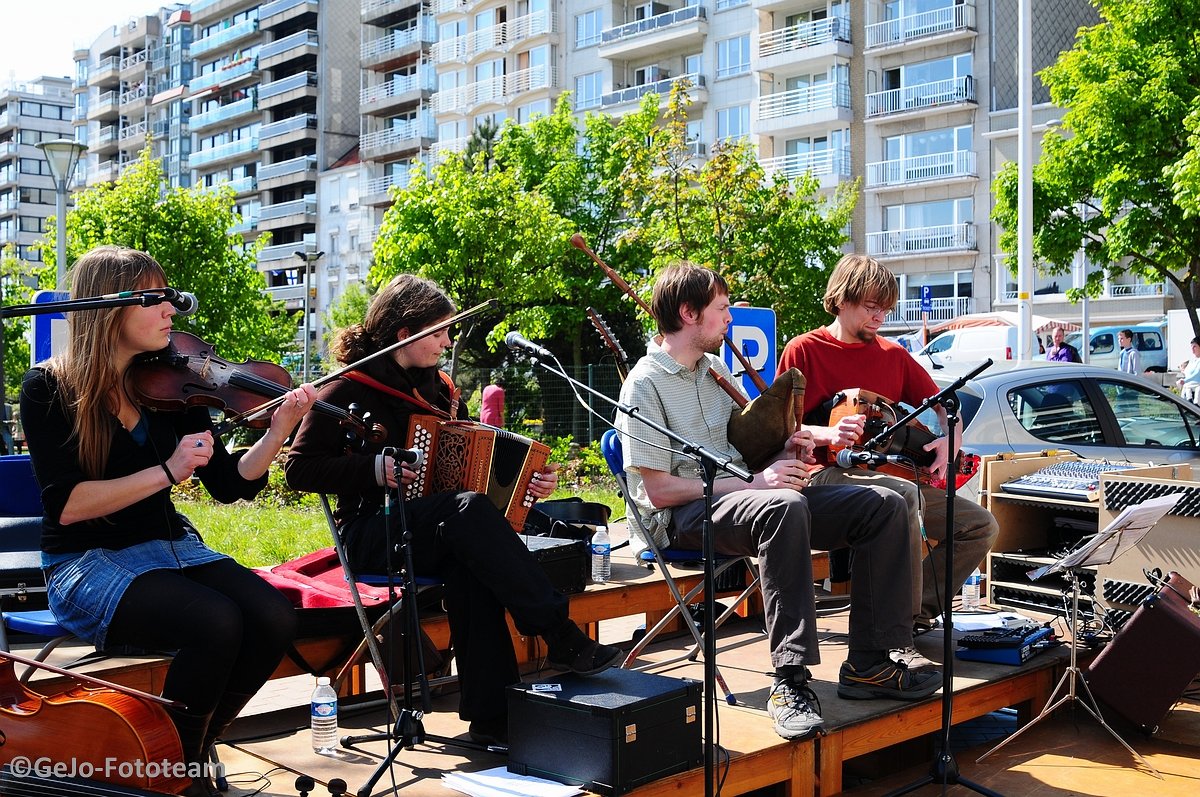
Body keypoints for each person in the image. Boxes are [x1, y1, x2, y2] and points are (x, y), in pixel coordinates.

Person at [19, 246, 315, 797]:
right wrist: (167, 470)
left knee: (273, 615)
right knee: (215, 621)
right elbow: (67, 505)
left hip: (168, 550)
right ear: (109, 307)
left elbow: (230, 486)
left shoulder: (177, 385)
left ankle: (188, 754)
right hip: (86, 563)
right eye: (156, 300)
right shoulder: (49, 388)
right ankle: (181, 773)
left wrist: (277, 431)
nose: (171, 312)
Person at [285, 274, 620, 747]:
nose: (446, 342)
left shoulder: (438, 389)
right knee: (467, 517)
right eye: (439, 332)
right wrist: (373, 469)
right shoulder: (346, 390)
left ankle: (493, 717)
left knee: (472, 561)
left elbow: (468, 464)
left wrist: (529, 484)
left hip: (434, 529)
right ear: (406, 334)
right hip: (369, 533)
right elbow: (298, 471)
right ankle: (558, 632)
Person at [616, 262, 939, 742]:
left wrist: (788, 448)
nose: (729, 319)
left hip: (741, 494)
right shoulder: (643, 385)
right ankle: (789, 681)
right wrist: (756, 481)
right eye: (722, 309)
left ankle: (870, 663)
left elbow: (751, 442)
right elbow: (660, 491)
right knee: (784, 506)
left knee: (884, 504)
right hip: (682, 515)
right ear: (688, 313)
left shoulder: (712, 369)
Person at [777, 254, 999, 646]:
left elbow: (948, 405)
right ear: (842, 299)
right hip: (821, 478)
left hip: (888, 476)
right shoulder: (804, 350)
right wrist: (828, 433)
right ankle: (891, 626)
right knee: (905, 495)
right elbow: (781, 431)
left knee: (979, 525)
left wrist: (952, 440)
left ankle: (914, 612)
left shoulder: (893, 354)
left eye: (886, 308)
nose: (881, 316)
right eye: (871, 306)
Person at [1177, 337, 1200, 402]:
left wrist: (1185, 380)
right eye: (1191, 347)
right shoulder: (1192, 360)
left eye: (1195, 347)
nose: (1192, 349)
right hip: (1188, 387)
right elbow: (1187, 372)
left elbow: (1197, 373)